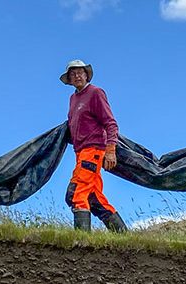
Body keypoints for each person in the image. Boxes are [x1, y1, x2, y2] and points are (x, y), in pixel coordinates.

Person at [61, 59, 128, 232]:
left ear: (86, 75)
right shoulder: (73, 99)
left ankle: (82, 242)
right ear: (69, 79)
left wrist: (111, 150)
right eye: (73, 74)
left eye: (80, 72)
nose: (77, 76)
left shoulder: (95, 93)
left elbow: (111, 123)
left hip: (93, 150)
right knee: (94, 198)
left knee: (75, 194)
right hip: (80, 153)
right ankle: (123, 235)